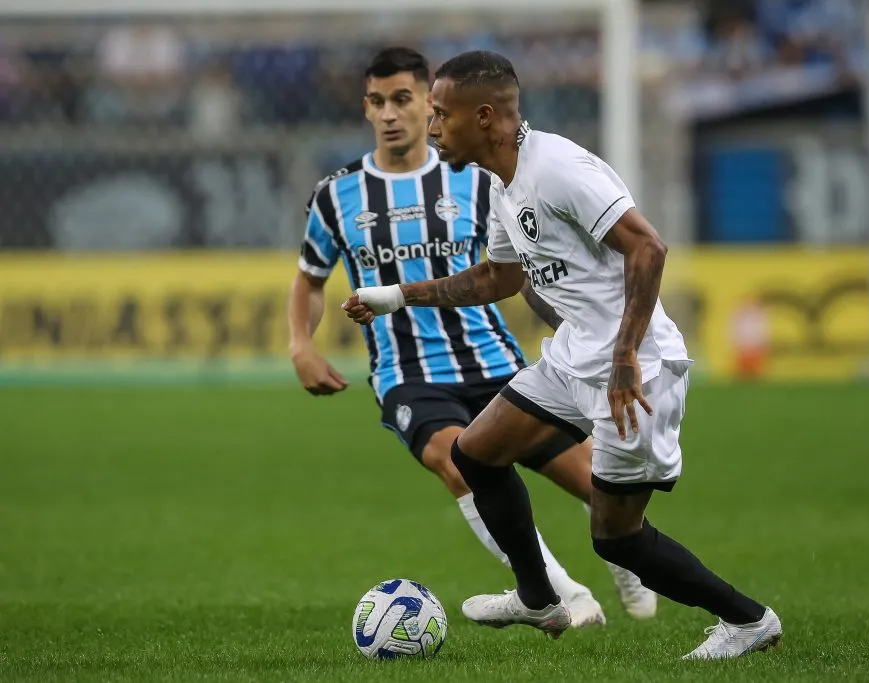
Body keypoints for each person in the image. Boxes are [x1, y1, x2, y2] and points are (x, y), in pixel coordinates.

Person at [344, 50, 783, 660]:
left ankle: (748, 620)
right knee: (476, 452)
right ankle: (538, 596)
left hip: (637, 369)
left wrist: (627, 356)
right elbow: (498, 278)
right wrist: (398, 295)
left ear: (487, 115)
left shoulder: (557, 169)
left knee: (617, 540)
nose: (433, 125)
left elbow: (649, 248)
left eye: (442, 113)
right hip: (578, 355)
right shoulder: (503, 181)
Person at [287, 47, 655, 628]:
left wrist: (583, 329)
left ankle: (627, 562)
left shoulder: (479, 179)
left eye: (405, 100)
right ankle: (559, 594)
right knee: (456, 461)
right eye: (377, 102)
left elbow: (517, 272)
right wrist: (301, 345)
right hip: (407, 372)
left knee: (592, 479)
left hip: (492, 358)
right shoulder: (337, 195)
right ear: (365, 109)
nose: (391, 114)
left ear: (432, 103)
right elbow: (309, 280)